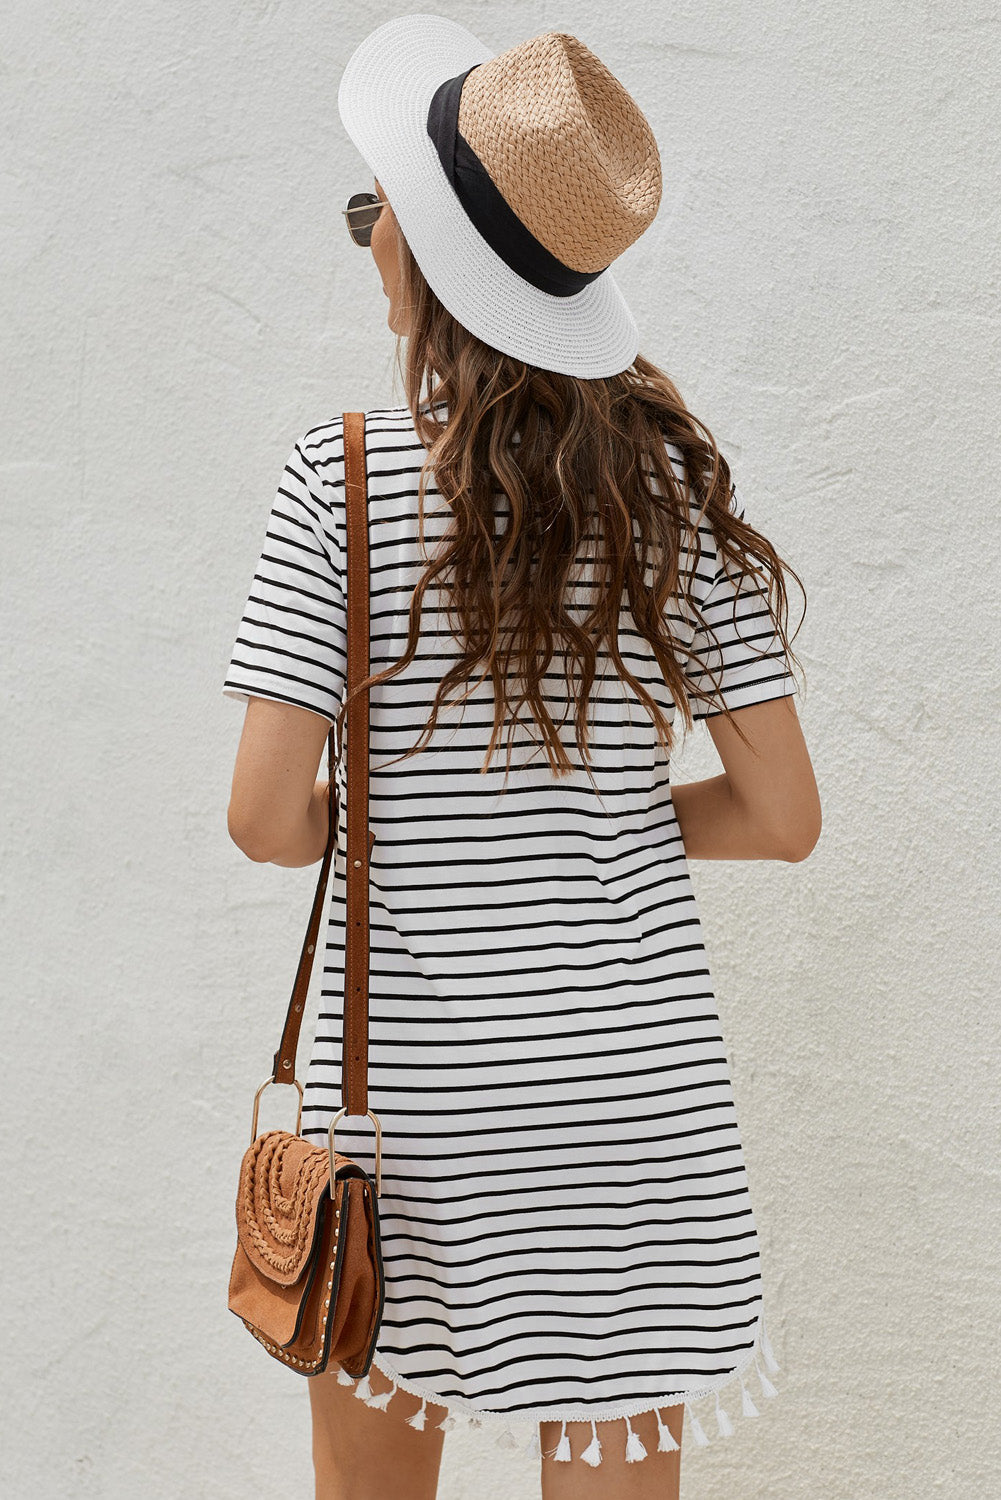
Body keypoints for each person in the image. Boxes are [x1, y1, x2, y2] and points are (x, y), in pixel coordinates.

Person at [222, 15, 821, 1500]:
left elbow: (263, 822)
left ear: (419, 256)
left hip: (414, 1102)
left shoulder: (341, 481)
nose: (366, 240)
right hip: (631, 1104)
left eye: (376, 214)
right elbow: (781, 815)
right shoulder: (671, 495)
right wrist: (600, 817)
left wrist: (403, 815)